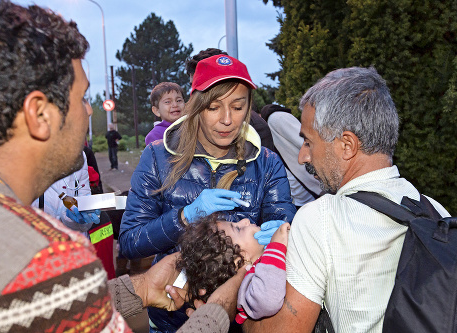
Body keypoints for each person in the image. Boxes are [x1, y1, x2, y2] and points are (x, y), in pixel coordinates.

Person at [0, 2, 241, 332]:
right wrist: (223, 303)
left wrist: (138, 287)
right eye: (82, 97)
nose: (90, 112)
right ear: (39, 114)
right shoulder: (46, 261)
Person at [243, 67, 451, 333]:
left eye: (308, 142)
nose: (302, 157)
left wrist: (237, 303)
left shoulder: (321, 219)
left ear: (347, 145)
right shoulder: (436, 212)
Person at [119, 54, 297, 332]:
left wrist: (282, 234)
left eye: (238, 107)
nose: (227, 120)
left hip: (241, 318)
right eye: (214, 107)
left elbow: (284, 226)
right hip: (170, 317)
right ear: (196, 106)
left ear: (249, 107)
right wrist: (184, 218)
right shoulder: (157, 157)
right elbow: (130, 241)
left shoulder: (267, 163)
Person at [177, 214, 290, 324]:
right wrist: (276, 247)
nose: (245, 221)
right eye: (238, 228)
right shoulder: (248, 287)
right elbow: (268, 302)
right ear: (239, 260)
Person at [186, 48, 276, 152]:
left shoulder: (256, 129)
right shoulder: (179, 134)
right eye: (193, 86)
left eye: (237, 108)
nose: (227, 120)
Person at [260, 104, 323, 208]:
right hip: (296, 197)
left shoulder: (277, 119)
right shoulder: (269, 125)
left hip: (309, 189)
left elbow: (306, 142)